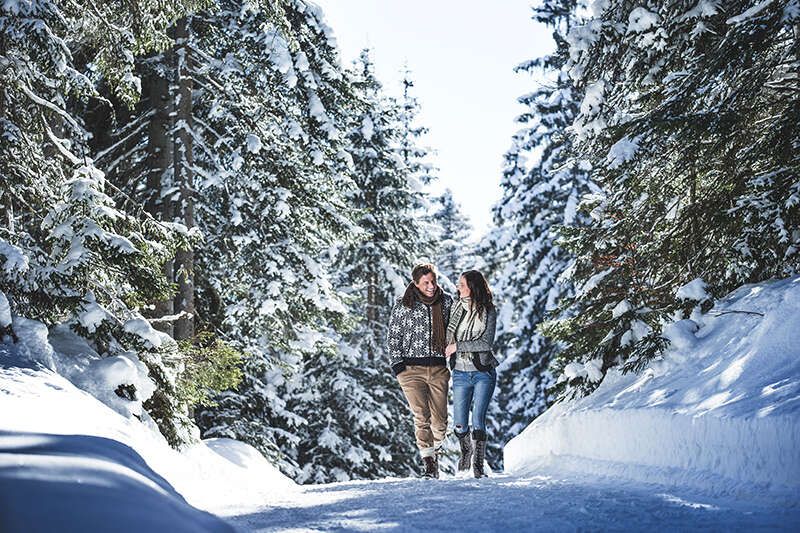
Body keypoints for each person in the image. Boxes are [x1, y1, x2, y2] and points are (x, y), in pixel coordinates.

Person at [387, 263, 453, 479]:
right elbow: (393, 337)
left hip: (438, 368)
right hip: (411, 370)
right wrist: (399, 368)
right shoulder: (403, 304)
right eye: (425, 282)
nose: (431, 286)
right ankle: (429, 464)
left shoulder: (446, 302)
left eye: (433, 281)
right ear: (415, 283)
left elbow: (455, 330)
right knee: (421, 416)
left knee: (440, 422)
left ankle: (436, 449)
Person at [445, 270, 498, 478]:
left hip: (483, 372)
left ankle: (478, 464)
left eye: (463, 285)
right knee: (459, 422)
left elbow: (486, 343)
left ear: (473, 288)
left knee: (478, 419)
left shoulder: (488, 311)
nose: (459, 288)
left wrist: (458, 346)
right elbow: (447, 335)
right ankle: (466, 449)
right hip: (460, 373)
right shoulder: (457, 307)